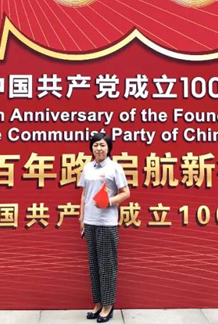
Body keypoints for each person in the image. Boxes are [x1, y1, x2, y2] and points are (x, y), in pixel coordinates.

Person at [79, 132, 130, 323]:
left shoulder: (115, 168)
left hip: (106, 224)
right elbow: (84, 194)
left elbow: (126, 193)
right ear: (91, 148)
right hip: (90, 222)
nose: (98, 148)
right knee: (94, 266)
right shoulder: (87, 167)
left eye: (102, 145)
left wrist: (108, 202)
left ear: (108, 148)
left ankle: (108, 306)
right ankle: (98, 303)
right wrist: (82, 217)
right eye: (95, 145)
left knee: (107, 266)